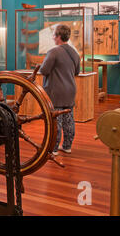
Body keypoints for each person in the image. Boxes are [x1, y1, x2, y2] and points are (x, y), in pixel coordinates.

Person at [39, 24, 80, 155]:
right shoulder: (75, 53)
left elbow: (44, 70)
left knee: (56, 120)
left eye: (54, 35)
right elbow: (77, 72)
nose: (53, 38)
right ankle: (67, 146)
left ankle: (54, 148)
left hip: (55, 91)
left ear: (58, 37)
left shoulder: (53, 52)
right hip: (70, 90)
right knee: (69, 119)